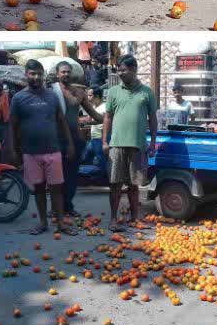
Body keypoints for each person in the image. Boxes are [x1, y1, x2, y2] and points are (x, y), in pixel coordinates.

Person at [11, 60, 75, 235]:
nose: (36, 77)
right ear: (26, 75)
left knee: (57, 188)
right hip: (30, 153)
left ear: (43, 75)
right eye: (32, 73)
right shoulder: (18, 98)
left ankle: (61, 223)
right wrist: (14, 151)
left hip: (53, 150)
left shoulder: (52, 96)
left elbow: (62, 121)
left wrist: (69, 144)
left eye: (39, 73)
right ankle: (43, 222)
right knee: (38, 188)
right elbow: (13, 127)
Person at [102, 54, 157, 231]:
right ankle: (112, 219)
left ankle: (134, 218)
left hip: (138, 144)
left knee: (134, 185)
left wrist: (153, 142)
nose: (120, 73)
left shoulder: (146, 92)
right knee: (115, 184)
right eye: (118, 70)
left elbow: (153, 118)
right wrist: (104, 141)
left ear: (134, 70)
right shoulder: (113, 92)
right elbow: (107, 117)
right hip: (117, 144)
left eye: (123, 70)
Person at [55, 61, 103, 218]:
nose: (66, 74)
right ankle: (57, 208)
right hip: (56, 139)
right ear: (57, 74)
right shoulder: (53, 92)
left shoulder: (79, 93)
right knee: (57, 176)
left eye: (68, 72)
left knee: (72, 176)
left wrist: (110, 118)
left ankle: (68, 206)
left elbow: (95, 116)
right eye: (63, 72)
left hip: (75, 139)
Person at [0, 81, 14, 163]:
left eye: (0, 86)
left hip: (5, 124)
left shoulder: (7, 97)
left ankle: (4, 163)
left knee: (5, 145)